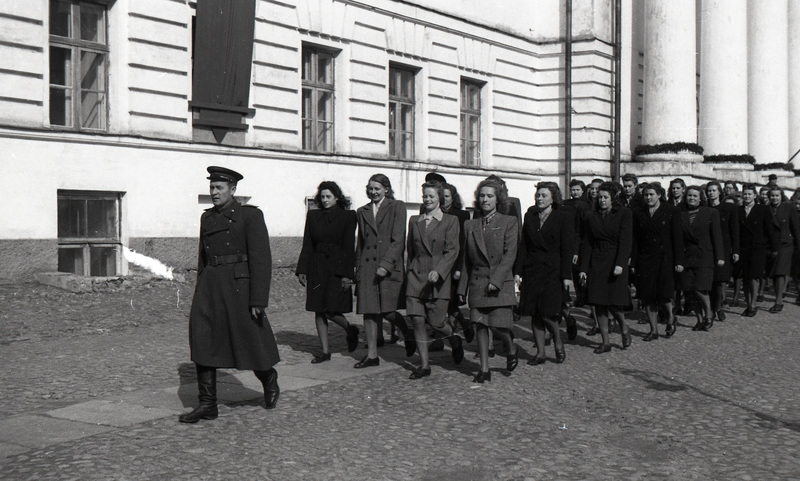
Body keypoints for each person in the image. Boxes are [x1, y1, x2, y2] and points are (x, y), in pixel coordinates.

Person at [180, 166, 280, 423]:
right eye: (211, 188)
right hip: (211, 286)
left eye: (219, 188)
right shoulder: (207, 218)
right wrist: (201, 287)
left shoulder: (250, 216)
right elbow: (203, 257)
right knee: (203, 337)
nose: (213, 193)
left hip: (239, 287)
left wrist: (258, 298)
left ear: (233, 190)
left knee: (248, 338)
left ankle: (268, 377)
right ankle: (207, 404)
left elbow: (261, 259)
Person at [458, 177, 519, 382]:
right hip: (478, 283)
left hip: (498, 284)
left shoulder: (508, 222)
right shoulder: (470, 224)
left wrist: (497, 280)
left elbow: (510, 254)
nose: (485, 199)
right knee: (480, 326)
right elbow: (467, 259)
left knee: (499, 325)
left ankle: (510, 347)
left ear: (497, 199)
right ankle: (484, 369)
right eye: (482, 196)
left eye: (490, 196)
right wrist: (461, 289)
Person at [354, 174, 416, 368]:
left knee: (388, 311)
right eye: (370, 188)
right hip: (367, 268)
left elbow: (399, 240)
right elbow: (361, 244)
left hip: (389, 268)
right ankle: (372, 355)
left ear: (386, 189)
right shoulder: (362, 211)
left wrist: (386, 265)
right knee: (369, 311)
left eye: (377, 188)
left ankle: (407, 332)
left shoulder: (397, 206)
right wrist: (357, 270)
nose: (373, 192)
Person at [296, 181, 360, 363]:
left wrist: (348, 274)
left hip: (337, 266)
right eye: (322, 197)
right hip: (317, 266)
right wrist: (302, 269)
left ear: (336, 197)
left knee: (331, 309)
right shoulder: (313, 216)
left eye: (328, 197)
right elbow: (308, 243)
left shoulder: (348, 216)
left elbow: (349, 246)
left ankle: (350, 329)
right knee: (318, 308)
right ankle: (325, 351)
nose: (324, 200)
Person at [405, 181, 462, 379]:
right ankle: (424, 365)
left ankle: (453, 338)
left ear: (439, 199)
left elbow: (452, 251)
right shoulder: (414, 221)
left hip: (437, 279)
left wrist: (439, 271)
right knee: (417, 321)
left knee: (437, 322)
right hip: (416, 277)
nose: (427, 200)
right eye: (425, 196)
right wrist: (409, 273)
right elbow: (410, 252)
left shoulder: (450, 221)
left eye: (431, 196)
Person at [515, 182, 574, 364]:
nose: (539, 198)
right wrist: (518, 271)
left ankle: (557, 340)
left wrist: (566, 276)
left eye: (544, 195)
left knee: (548, 312)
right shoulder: (530, 215)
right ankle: (540, 352)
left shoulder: (563, 217)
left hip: (553, 271)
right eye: (538, 195)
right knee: (534, 312)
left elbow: (566, 249)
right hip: (532, 270)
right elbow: (524, 245)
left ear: (553, 198)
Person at [579, 181, 633, 353]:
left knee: (614, 303)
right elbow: (587, 243)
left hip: (614, 260)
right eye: (599, 197)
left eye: (605, 197)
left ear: (612, 198)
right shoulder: (591, 216)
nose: (602, 200)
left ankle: (624, 326)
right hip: (597, 260)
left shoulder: (624, 213)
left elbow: (625, 241)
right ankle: (606, 341)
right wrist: (583, 268)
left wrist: (620, 264)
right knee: (598, 302)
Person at [630, 182, 683, 340]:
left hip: (665, 258)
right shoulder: (638, 213)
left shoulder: (671, 211)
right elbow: (636, 240)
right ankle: (653, 330)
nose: (648, 197)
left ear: (659, 195)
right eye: (646, 195)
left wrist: (679, 261)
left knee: (663, 294)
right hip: (645, 259)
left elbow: (677, 238)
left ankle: (670, 317)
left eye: (651, 194)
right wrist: (633, 262)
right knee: (647, 295)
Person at [677, 186, 724, 331]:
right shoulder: (680, 213)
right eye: (689, 196)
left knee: (700, 288)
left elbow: (717, 236)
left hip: (704, 255)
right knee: (689, 290)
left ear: (701, 198)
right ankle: (699, 319)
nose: (691, 198)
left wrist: (720, 256)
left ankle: (709, 314)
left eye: (695, 196)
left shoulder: (711, 213)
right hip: (687, 256)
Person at [737, 184, 779, 317]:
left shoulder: (763, 209)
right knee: (745, 277)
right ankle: (749, 303)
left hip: (757, 248)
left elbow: (770, 230)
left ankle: (753, 305)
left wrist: (774, 248)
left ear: (755, 195)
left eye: (749, 194)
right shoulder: (738, 210)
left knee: (754, 277)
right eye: (745, 194)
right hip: (743, 248)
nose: (747, 196)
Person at [442, 181, 474, 342]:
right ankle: (462, 325)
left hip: (454, 263)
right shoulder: (436, 212)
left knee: (451, 301)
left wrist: (460, 268)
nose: (444, 199)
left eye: (447, 196)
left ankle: (459, 326)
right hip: (439, 263)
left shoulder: (462, 215)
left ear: (453, 198)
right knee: (442, 301)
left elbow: (463, 243)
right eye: (442, 196)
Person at [706, 182, 739, 321]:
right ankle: (709, 308)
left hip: (724, 247)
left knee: (719, 280)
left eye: (714, 190)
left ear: (720, 192)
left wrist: (735, 250)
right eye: (709, 191)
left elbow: (734, 230)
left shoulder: (728, 208)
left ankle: (718, 307)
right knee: (708, 279)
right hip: (707, 247)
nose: (711, 193)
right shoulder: (704, 208)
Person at [767, 186, 800, 312]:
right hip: (770, 245)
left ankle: (778, 301)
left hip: (785, 243)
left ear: (781, 196)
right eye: (772, 195)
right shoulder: (766, 209)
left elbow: (796, 228)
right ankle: (778, 297)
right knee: (774, 274)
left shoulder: (789, 208)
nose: (774, 198)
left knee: (780, 272)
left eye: (777, 195)